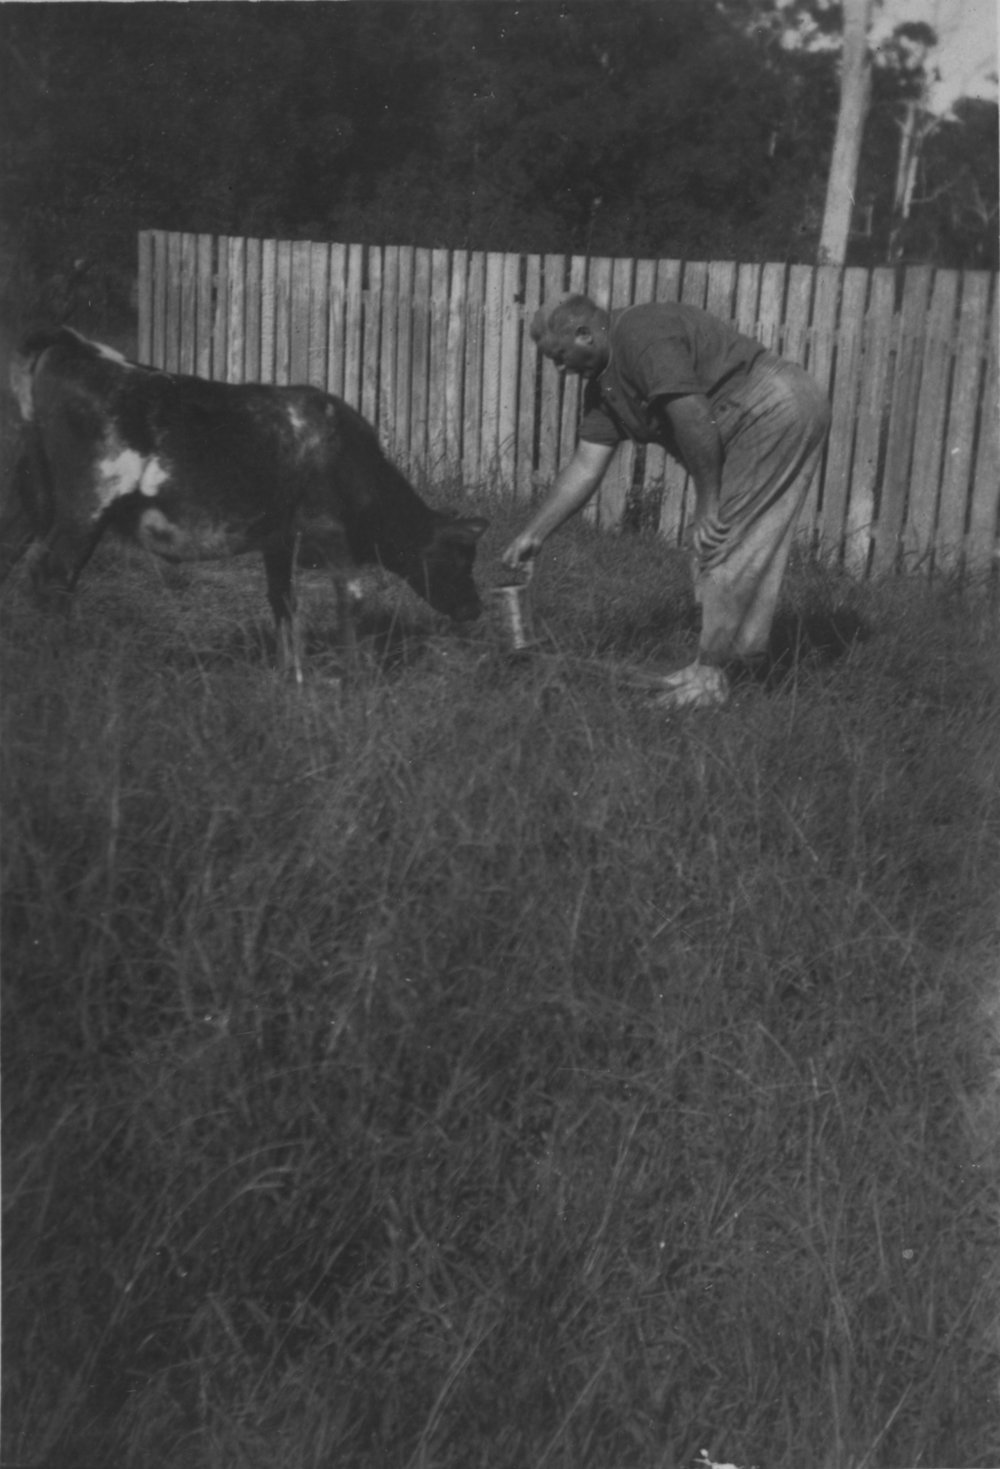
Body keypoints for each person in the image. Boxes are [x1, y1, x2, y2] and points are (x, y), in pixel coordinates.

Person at [501, 294, 832, 709]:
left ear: (584, 333)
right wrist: (535, 533)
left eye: (560, 357)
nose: (561, 370)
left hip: (772, 405)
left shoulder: (638, 334)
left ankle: (710, 679)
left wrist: (708, 503)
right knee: (721, 549)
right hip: (751, 418)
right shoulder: (604, 387)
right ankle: (728, 663)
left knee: (722, 538)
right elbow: (586, 466)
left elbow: (693, 414)